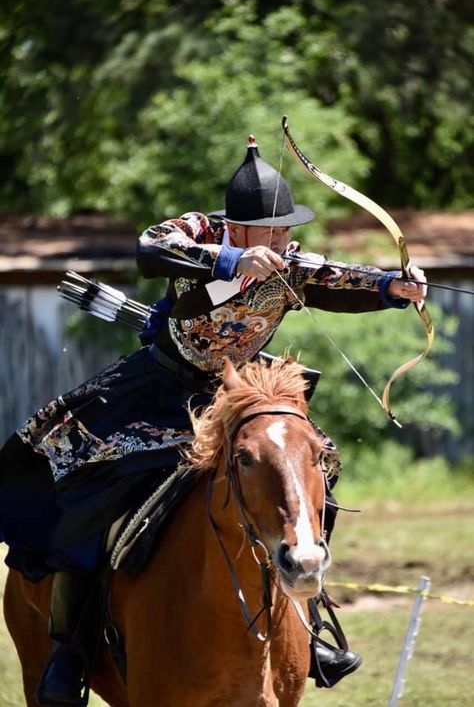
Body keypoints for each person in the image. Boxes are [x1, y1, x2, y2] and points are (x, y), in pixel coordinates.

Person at [0, 134, 427, 705]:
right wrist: (230, 260)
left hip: (231, 396)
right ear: (240, 227)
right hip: (154, 393)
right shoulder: (199, 233)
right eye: (270, 230)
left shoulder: (288, 262)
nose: (282, 240)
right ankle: (71, 648)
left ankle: (308, 611)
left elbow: (336, 279)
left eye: (286, 229)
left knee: (310, 466)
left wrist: (392, 287)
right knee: (89, 495)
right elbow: (151, 247)